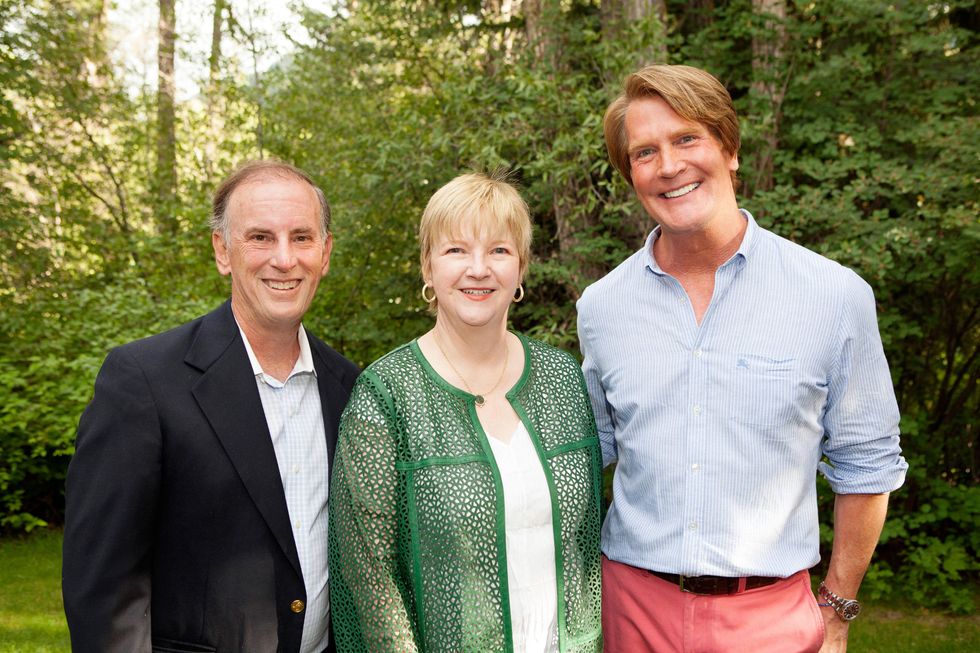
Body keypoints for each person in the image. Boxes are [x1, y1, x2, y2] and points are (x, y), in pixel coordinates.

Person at [577, 64, 908, 653]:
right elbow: (586, 453)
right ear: (631, 175)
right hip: (632, 610)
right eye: (645, 152)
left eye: (687, 139)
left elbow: (868, 466)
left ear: (729, 149)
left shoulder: (832, 296)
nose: (669, 165)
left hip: (773, 620)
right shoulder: (603, 307)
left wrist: (837, 609)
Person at [63, 160, 359, 653]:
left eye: (302, 238)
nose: (284, 259)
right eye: (260, 238)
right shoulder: (144, 381)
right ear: (223, 251)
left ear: (325, 253)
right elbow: (103, 591)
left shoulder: (348, 386)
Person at [328, 172, 602, 652]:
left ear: (521, 268)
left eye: (499, 250)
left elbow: (586, 548)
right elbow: (370, 578)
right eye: (456, 250)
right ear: (427, 269)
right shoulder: (386, 395)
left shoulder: (562, 378)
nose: (479, 269)